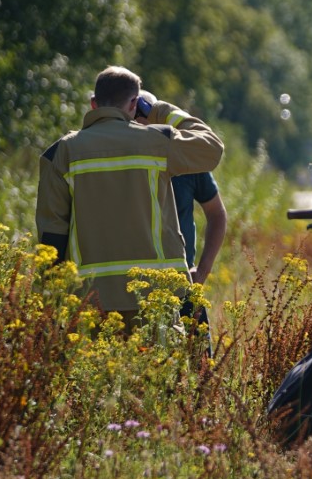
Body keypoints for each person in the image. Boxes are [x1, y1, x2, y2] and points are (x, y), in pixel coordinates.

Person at [36, 66, 225, 316]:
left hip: (91, 300)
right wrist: (161, 111)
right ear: (135, 103)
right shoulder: (156, 141)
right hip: (158, 297)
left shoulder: (59, 153)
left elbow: (52, 237)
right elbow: (212, 147)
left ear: (94, 104)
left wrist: (53, 306)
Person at [174, 171, 228, 284]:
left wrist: (202, 270)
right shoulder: (129, 158)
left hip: (182, 284)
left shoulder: (190, 159)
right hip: (131, 283)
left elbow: (216, 213)